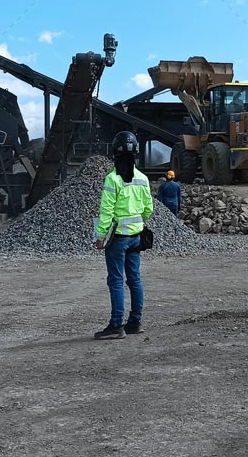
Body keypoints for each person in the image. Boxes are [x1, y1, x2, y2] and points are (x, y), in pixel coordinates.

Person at [93, 131, 153, 340]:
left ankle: (116, 325)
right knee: (134, 279)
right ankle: (134, 323)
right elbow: (148, 209)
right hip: (136, 237)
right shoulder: (143, 179)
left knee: (116, 281)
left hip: (117, 239)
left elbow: (106, 212)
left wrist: (100, 236)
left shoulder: (112, 179)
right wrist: (137, 222)